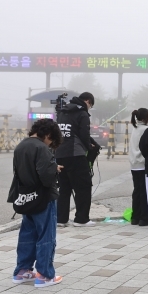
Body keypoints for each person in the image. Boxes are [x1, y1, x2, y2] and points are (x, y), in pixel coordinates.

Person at [9, 118, 64, 287]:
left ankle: (22, 271)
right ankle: (45, 275)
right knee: (46, 235)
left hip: (26, 197)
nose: (50, 143)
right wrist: (54, 169)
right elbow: (46, 178)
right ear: (47, 134)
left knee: (27, 235)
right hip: (43, 198)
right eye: (51, 139)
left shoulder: (21, 146)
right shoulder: (41, 148)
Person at [55, 92, 96, 227]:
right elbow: (84, 134)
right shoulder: (82, 113)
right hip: (76, 155)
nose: (89, 108)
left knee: (64, 188)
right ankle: (81, 219)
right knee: (83, 187)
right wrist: (89, 147)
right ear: (87, 101)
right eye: (90, 105)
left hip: (60, 153)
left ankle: (61, 219)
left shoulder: (62, 111)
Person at [128, 108, 148, 226]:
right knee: (144, 192)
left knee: (136, 191)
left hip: (134, 164)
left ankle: (134, 217)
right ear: (145, 118)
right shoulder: (147, 129)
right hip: (142, 164)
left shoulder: (135, 128)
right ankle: (144, 218)